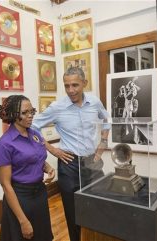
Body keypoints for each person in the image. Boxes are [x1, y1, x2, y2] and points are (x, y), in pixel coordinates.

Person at [32, 67, 109, 241]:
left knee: (99, 207)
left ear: (84, 83)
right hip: (69, 165)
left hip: (93, 162)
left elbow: (107, 120)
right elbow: (32, 127)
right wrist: (52, 149)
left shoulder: (95, 102)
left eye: (75, 85)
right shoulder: (57, 107)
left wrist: (103, 143)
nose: (71, 90)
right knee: (73, 213)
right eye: (67, 86)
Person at [0, 95, 55, 241]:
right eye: (25, 113)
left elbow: (35, 159)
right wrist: (23, 221)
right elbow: (6, 185)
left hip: (39, 194)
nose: (30, 116)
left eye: (32, 111)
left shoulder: (35, 134)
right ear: (14, 115)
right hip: (20, 199)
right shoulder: (4, 144)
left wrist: (48, 168)